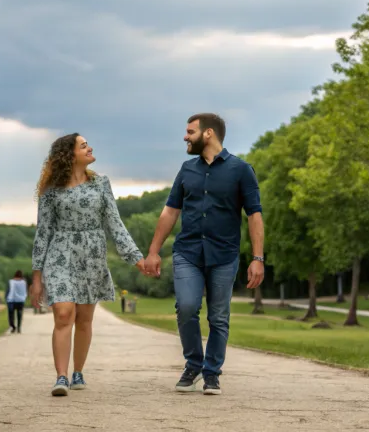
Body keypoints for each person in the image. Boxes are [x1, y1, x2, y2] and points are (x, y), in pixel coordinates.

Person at [144, 113, 265, 396]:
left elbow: (254, 215)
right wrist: (153, 251)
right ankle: (193, 364)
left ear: (208, 133)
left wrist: (257, 258)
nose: (185, 137)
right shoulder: (187, 170)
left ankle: (212, 373)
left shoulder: (241, 170)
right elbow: (170, 211)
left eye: (190, 131)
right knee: (186, 307)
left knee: (218, 317)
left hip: (224, 254)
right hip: (188, 251)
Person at [30, 133, 146, 397]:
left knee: (84, 318)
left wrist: (136, 258)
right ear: (69, 155)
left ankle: (78, 371)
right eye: (83, 146)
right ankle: (61, 377)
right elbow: (43, 232)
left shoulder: (101, 184)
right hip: (59, 254)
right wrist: (37, 276)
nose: (90, 147)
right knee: (63, 313)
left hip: (92, 256)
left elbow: (115, 224)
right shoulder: (51, 190)